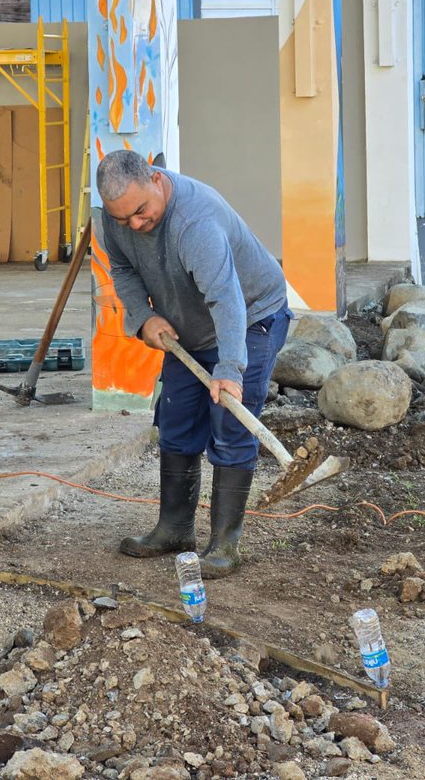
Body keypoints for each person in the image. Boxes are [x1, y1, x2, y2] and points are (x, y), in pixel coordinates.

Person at [98, 149, 291, 578]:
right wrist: (142, 317)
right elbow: (123, 269)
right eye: (122, 218)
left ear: (155, 179)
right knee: (177, 419)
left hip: (251, 317)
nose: (134, 224)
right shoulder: (114, 219)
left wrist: (229, 369)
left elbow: (227, 299)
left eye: (141, 212)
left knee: (229, 422)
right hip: (190, 326)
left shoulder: (195, 224)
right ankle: (174, 529)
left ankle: (224, 544)